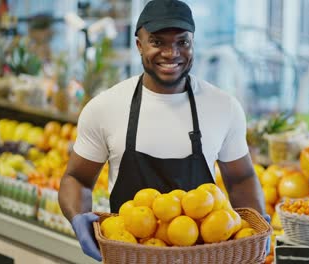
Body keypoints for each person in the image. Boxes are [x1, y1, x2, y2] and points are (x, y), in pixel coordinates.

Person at [58, 0, 269, 261]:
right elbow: (76, 179)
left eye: (182, 42)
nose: (172, 53)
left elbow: (241, 179)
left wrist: (256, 231)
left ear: (193, 43)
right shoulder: (105, 107)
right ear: (139, 45)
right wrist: (79, 218)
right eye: (157, 42)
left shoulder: (223, 107)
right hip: (130, 257)